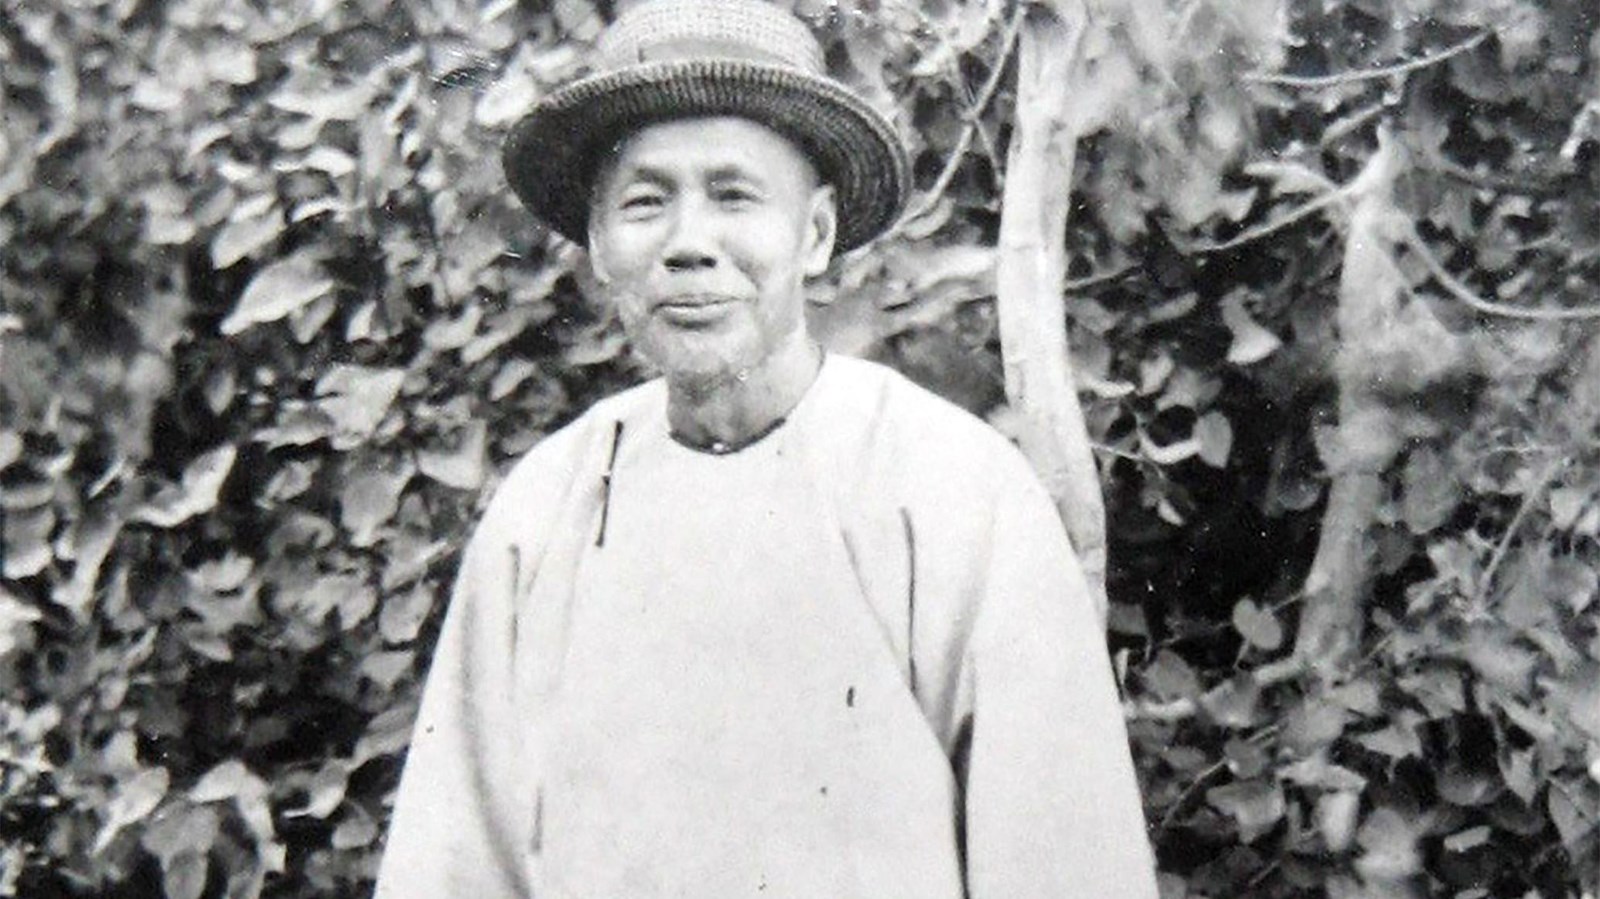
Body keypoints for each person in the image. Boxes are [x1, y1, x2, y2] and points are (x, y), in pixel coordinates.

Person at [374, 1, 1158, 896]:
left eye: (734, 195)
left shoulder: (954, 492)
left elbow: (1067, 865)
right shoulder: (547, 509)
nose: (689, 245)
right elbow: (451, 863)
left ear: (814, 233)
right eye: (645, 202)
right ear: (597, 243)